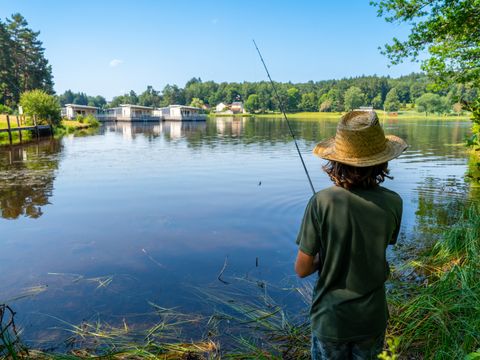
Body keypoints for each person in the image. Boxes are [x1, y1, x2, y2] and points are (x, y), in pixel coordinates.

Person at [294, 111, 408, 360]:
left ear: (337, 160)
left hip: (331, 320)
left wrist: (325, 256)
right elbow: (380, 244)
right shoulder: (394, 202)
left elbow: (302, 269)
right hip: (372, 319)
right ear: (382, 161)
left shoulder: (321, 201)